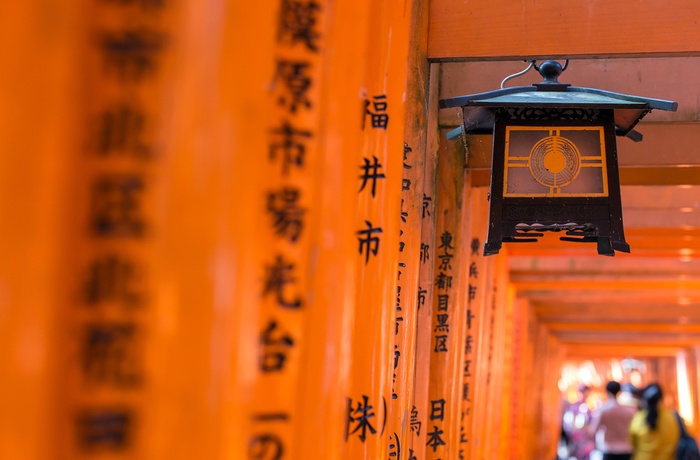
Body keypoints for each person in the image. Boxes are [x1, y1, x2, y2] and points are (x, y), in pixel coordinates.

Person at [629, 383, 680, 460]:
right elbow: (676, 440)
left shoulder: (638, 418)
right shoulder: (671, 418)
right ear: (661, 398)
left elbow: (632, 442)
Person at [588, 381, 636, 460]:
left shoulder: (603, 410)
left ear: (607, 391)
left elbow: (592, 430)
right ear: (620, 391)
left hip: (609, 449)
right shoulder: (629, 410)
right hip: (626, 449)